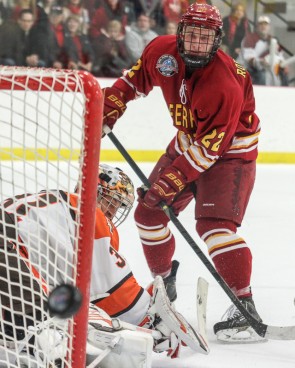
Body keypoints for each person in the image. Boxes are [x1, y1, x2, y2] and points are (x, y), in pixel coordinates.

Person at [102, 3, 264, 343]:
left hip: (230, 152)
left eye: (205, 37)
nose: (197, 43)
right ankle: (164, 281)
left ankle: (245, 306)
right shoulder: (161, 51)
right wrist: (109, 107)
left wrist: (170, 182)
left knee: (214, 227)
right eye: (191, 34)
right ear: (180, 33)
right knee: (148, 213)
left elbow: (210, 150)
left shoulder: (225, 84)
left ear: (217, 40)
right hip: (190, 140)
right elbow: (132, 82)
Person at [0, 164, 207, 367]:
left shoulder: (57, 206)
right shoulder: (91, 215)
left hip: (9, 246)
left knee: (21, 325)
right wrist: (149, 319)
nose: (114, 210)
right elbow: (115, 290)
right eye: (112, 201)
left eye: (118, 206)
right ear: (95, 191)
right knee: (47, 325)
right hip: (5, 246)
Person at [237, 15, 288, 86]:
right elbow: (249, 58)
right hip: (250, 68)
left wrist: (282, 64)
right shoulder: (249, 39)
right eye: (261, 24)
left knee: (283, 74)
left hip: (269, 68)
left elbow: (280, 55)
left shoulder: (273, 40)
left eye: (265, 24)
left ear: (269, 27)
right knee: (262, 75)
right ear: (257, 26)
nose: (263, 26)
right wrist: (260, 62)